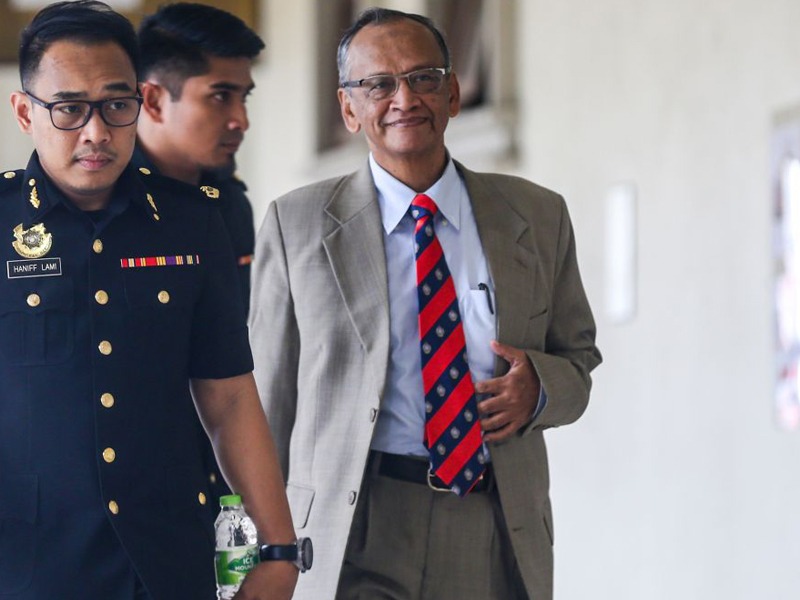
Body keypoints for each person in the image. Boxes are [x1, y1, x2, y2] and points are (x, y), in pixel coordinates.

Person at [249, 7, 602, 600]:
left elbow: (579, 358)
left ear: (454, 93)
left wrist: (539, 389)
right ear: (348, 108)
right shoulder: (297, 224)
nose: (404, 99)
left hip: (491, 521)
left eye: (423, 78)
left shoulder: (537, 216)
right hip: (354, 525)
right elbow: (268, 399)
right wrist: (258, 547)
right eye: (378, 84)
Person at [0, 2, 298, 599]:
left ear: (140, 101)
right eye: (68, 109)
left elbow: (229, 397)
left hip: (167, 558)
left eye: (116, 105)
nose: (96, 132)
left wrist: (278, 548)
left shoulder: (193, 222)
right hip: (29, 564)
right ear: (26, 112)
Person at [135, 2, 261, 315]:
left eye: (244, 97)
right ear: (154, 101)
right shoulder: (102, 202)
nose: (242, 120)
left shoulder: (229, 201)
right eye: (220, 96)